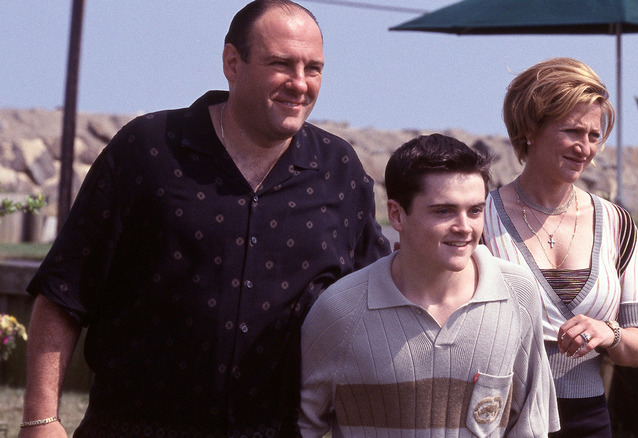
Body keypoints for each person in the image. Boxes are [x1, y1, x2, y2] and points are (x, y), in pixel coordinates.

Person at [20, 1, 390, 437]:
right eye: (281, 64)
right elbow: (64, 290)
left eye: (314, 69)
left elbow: (378, 300)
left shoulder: (338, 171)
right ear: (232, 63)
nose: (299, 83)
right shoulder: (148, 150)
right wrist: (41, 419)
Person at [299, 133, 559, 437]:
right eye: (444, 211)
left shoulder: (517, 293)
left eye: (475, 210)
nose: (465, 227)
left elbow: (530, 425)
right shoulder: (340, 310)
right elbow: (302, 426)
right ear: (396, 215)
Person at [482, 57, 638, 437]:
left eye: (594, 136)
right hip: (502, 417)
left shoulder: (617, 224)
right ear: (530, 129)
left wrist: (609, 333)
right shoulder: (481, 219)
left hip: (589, 420)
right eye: (573, 131)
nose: (585, 148)